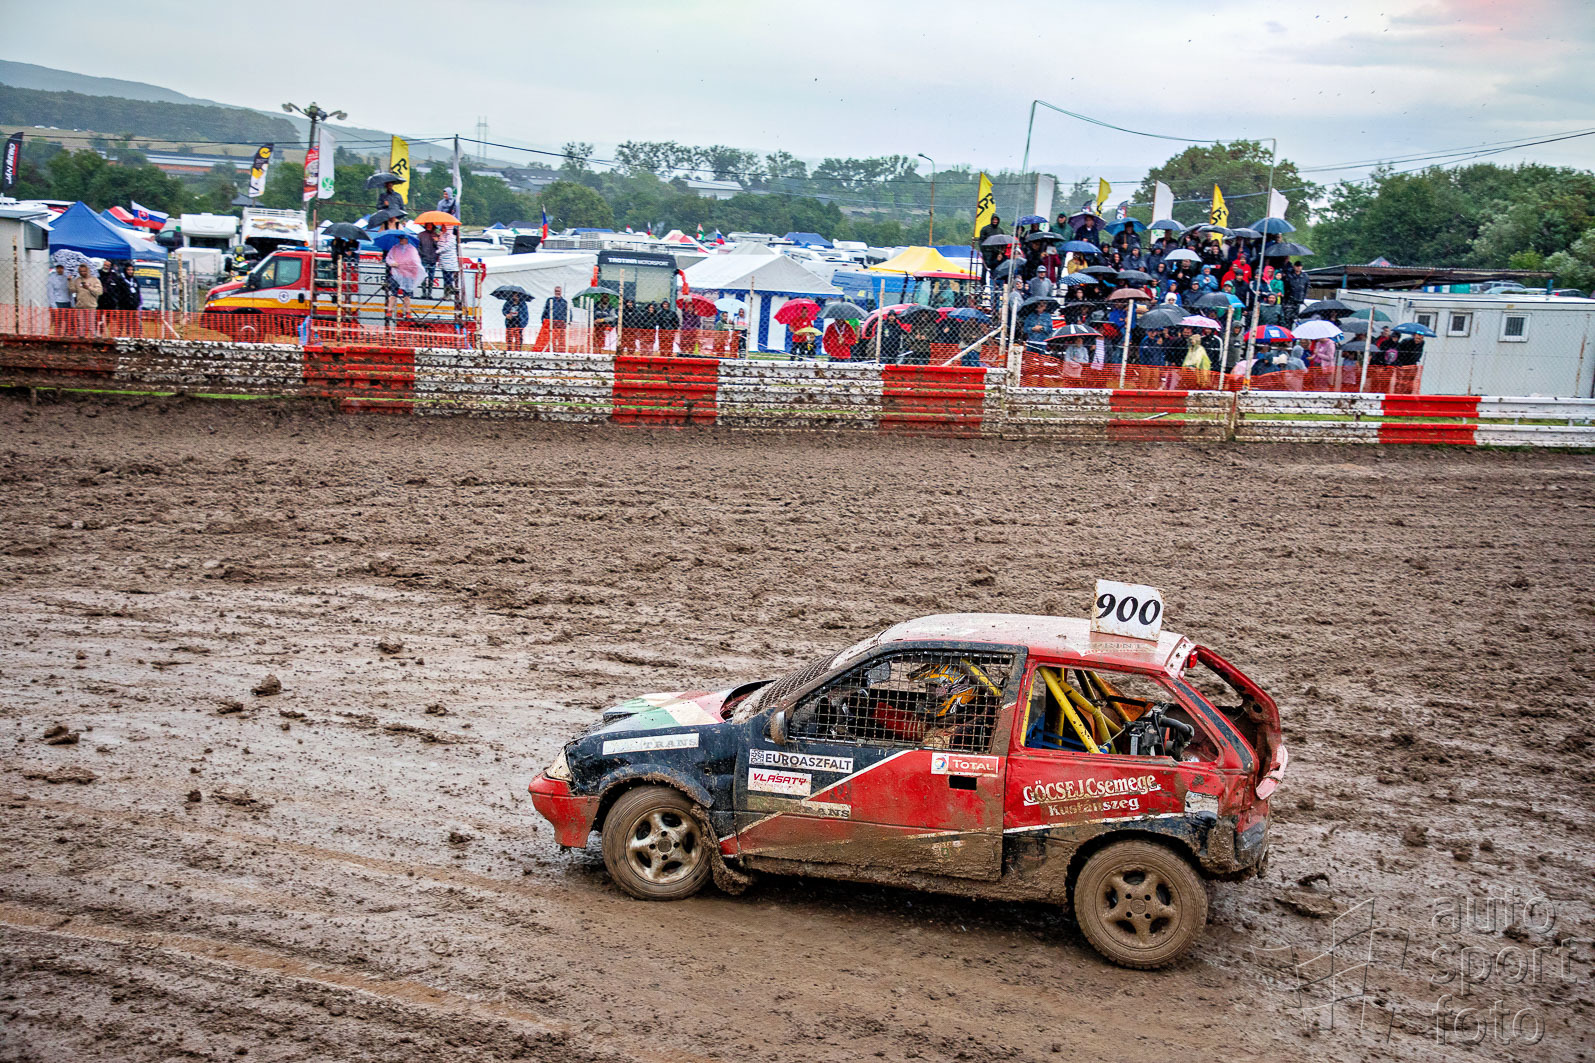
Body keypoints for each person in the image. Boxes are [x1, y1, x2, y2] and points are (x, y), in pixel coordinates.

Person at [383, 233, 424, 319]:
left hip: (407, 274)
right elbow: (388, 258)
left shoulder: (412, 249)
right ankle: (389, 311)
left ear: (407, 239)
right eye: (400, 238)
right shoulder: (394, 248)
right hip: (396, 274)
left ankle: (407, 312)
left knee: (407, 295)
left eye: (403, 238)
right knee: (393, 294)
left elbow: (415, 261)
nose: (401, 240)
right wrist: (392, 263)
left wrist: (409, 268)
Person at [67, 262, 101, 335]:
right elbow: (73, 290)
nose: (82, 273)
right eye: (81, 271)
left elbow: (99, 291)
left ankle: (93, 339)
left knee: (91, 325)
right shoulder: (77, 280)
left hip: (91, 306)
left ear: (88, 270)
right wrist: (70, 281)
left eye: (84, 271)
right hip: (80, 306)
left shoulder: (95, 280)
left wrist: (89, 288)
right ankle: (81, 338)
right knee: (81, 326)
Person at [533, 285, 569, 351]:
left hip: (561, 324)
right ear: (554, 292)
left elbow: (568, 312)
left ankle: (561, 352)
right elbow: (545, 310)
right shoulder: (550, 300)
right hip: (551, 323)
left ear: (561, 292)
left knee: (561, 340)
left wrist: (567, 322)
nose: (557, 292)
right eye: (556, 291)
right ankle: (551, 351)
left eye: (559, 291)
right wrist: (543, 320)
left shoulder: (564, 302)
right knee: (551, 339)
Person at [46, 262, 71, 335]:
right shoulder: (52, 278)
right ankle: (57, 335)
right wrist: (53, 305)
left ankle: (66, 335)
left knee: (68, 322)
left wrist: (72, 303)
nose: (60, 270)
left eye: (61, 268)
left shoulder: (67, 277)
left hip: (66, 302)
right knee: (57, 322)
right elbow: (50, 293)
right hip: (57, 302)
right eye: (58, 268)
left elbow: (70, 291)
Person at [1282, 262, 1309, 327]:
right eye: (1297, 266)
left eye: (1300, 266)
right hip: (1289, 301)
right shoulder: (1289, 275)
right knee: (1287, 319)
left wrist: (1303, 297)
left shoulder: (1305, 276)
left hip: (1300, 301)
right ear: (1294, 267)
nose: (1298, 268)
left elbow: (1306, 288)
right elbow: (1285, 287)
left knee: (1298, 320)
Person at [418, 225, 439, 295]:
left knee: (431, 277)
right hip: (424, 258)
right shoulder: (420, 235)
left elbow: (439, 247)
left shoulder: (436, 235)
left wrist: (436, 241)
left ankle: (429, 293)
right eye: (428, 225)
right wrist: (422, 254)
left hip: (433, 259)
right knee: (423, 276)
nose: (429, 226)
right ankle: (424, 293)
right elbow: (418, 246)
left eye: (430, 225)